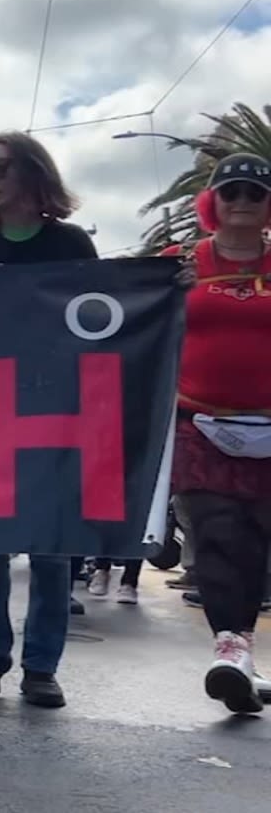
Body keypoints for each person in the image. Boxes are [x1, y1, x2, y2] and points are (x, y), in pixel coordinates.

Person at [0, 131, 98, 709]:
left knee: (50, 547)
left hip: (54, 409)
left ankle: (41, 666)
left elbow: (103, 319)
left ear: (33, 174)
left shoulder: (71, 245)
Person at [159, 153, 271, 714]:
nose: (244, 201)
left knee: (258, 540)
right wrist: (162, 289)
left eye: (255, 191)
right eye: (232, 192)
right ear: (213, 203)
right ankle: (232, 650)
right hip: (200, 424)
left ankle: (247, 660)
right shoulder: (179, 263)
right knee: (220, 531)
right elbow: (112, 302)